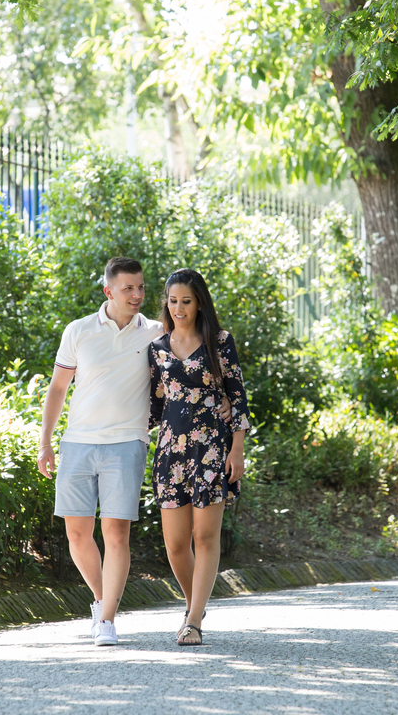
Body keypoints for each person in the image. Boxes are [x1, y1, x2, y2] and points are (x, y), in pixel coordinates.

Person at [37, 257, 231, 647]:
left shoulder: (158, 334)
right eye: (129, 289)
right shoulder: (78, 331)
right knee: (76, 532)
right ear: (108, 291)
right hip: (77, 440)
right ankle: (101, 599)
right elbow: (58, 389)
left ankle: (106, 620)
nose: (138, 295)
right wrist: (46, 441)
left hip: (128, 443)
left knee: (116, 533)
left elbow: (201, 365)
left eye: (141, 287)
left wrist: (222, 403)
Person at [147, 268, 251, 646]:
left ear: (200, 302)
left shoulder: (220, 342)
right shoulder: (157, 348)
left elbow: (237, 396)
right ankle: (197, 606)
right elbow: (154, 405)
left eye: (186, 301)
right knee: (175, 544)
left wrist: (237, 449)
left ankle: (193, 620)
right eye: (172, 301)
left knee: (204, 536)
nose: (178, 308)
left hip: (211, 447)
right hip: (171, 451)